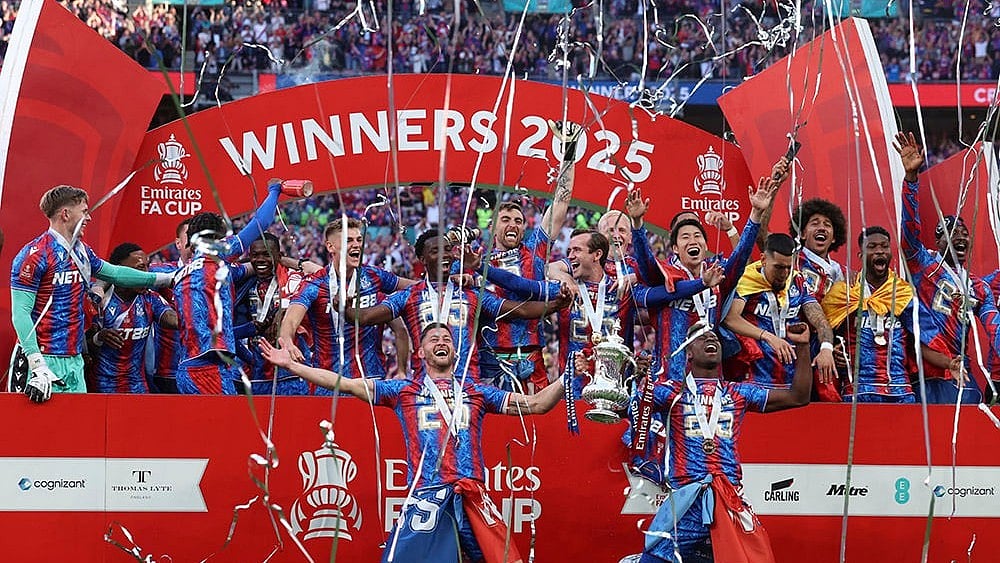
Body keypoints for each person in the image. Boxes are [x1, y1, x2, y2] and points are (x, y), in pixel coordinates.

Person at [261, 323, 566, 563]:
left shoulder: (476, 391)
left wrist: (567, 379)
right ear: (420, 352)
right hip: (426, 496)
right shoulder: (403, 390)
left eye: (446, 339)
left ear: (456, 352)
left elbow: (537, 404)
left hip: (472, 495)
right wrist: (292, 366)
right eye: (433, 339)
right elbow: (346, 384)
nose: (441, 343)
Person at [634, 322, 813, 563]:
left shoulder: (739, 393)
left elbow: (798, 396)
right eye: (701, 337)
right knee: (654, 558)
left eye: (715, 338)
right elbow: (629, 408)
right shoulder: (670, 392)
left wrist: (802, 347)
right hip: (685, 502)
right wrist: (636, 377)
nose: (711, 340)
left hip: (727, 499)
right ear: (688, 352)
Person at [484, 229, 722, 396]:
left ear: (597, 255)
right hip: (574, 389)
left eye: (577, 250)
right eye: (570, 250)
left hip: (618, 390)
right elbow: (521, 285)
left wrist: (701, 283)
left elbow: (663, 294)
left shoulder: (622, 288)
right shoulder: (565, 289)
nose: (570, 256)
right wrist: (482, 268)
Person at [10, 185, 173, 402]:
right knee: (36, 434)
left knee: (77, 432)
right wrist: (37, 364)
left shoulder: (83, 252)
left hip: (74, 359)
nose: (89, 217)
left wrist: (167, 278)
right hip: (41, 360)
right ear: (66, 214)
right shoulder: (35, 254)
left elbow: (115, 273)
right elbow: (20, 313)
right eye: (84, 211)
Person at [346, 229, 570, 382]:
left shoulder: (472, 294)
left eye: (447, 250)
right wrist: (344, 308)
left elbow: (517, 309)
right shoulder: (409, 296)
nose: (444, 255)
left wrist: (556, 304)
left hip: (468, 385)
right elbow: (366, 317)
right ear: (422, 260)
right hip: (425, 386)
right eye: (435, 251)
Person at [896, 131, 1000, 404]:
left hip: (960, 374)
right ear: (938, 240)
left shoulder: (978, 287)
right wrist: (911, 180)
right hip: (923, 372)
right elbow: (908, 233)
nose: (961, 236)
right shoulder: (924, 264)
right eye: (952, 231)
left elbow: (993, 324)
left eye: (965, 232)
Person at [172, 181, 283, 394]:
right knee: (230, 427)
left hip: (186, 367)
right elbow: (263, 221)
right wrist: (275, 190)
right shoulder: (215, 254)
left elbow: (241, 271)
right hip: (208, 368)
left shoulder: (182, 274)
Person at [481, 148, 575, 392]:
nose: (512, 224)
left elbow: (561, 202)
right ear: (492, 227)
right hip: (490, 361)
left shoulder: (534, 253)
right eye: (505, 220)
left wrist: (569, 155)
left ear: (524, 228)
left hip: (532, 360)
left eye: (518, 221)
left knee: (536, 426)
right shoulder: (477, 263)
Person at [281, 218, 414, 384]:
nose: (357, 245)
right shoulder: (315, 284)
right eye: (348, 240)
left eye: (359, 240)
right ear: (331, 247)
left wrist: (401, 370)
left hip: (370, 380)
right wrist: (287, 342)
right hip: (326, 381)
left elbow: (414, 292)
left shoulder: (375, 277)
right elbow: (291, 320)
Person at [723, 233, 837, 389]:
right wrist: (768, 337)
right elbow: (731, 319)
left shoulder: (798, 281)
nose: (784, 274)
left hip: (792, 379)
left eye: (788, 268)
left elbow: (819, 320)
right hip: (756, 379)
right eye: (778, 267)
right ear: (763, 260)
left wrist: (826, 349)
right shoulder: (748, 280)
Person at [821, 227, 919, 402]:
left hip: (900, 390)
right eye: (872, 246)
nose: (879, 250)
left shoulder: (904, 293)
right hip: (857, 391)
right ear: (860, 256)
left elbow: (922, 337)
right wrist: (832, 349)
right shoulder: (843, 293)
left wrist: (948, 363)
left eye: (884, 246)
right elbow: (825, 332)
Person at [89, 243, 179, 393]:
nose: (145, 274)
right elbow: (81, 345)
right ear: (119, 269)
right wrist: (99, 337)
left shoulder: (149, 298)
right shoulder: (98, 297)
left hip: (137, 386)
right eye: (139, 268)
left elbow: (175, 321)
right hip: (101, 387)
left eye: (147, 267)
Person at [147, 218, 193, 394]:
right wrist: (99, 288)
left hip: (204, 369)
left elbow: (251, 266)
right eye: (190, 238)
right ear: (178, 243)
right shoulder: (160, 272)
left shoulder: (217, 272)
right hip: (168, 372)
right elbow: (118, 272)